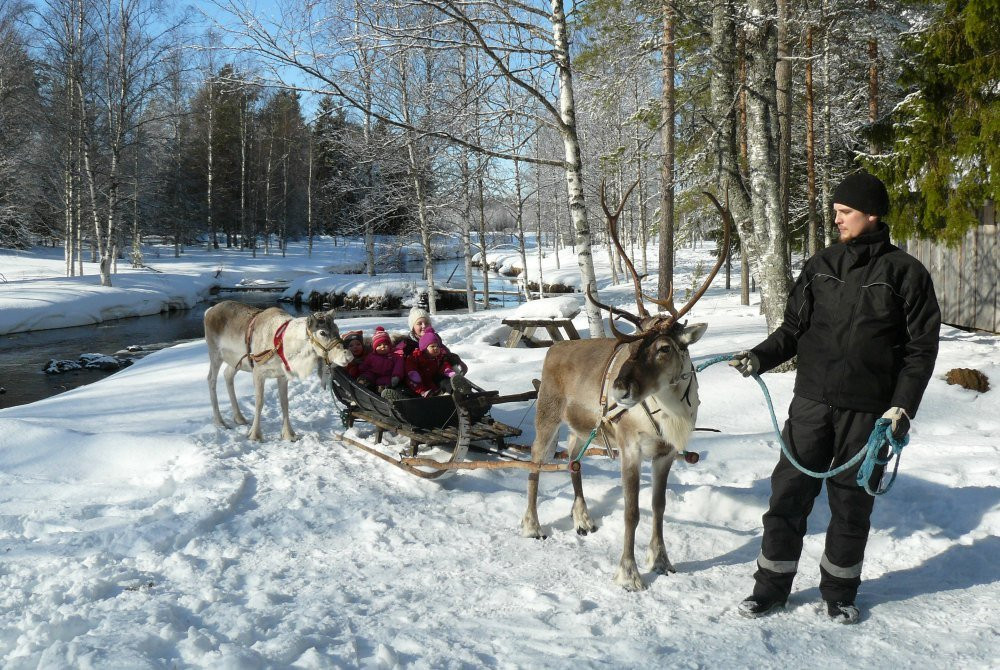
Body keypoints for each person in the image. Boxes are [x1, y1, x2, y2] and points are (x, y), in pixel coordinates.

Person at [730, 171, 940, 624]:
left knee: (851, 506)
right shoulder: (821, 265)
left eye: (845, 212)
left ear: (872, 214)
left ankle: (840, 593)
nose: (837, 219)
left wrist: (901, 407)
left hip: (869, 414)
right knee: (787, 496)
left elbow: (921, 351)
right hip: (810, 404)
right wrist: (759, 357)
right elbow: (792, 330)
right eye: (836, 212)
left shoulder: (907, 274)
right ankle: (769, 588)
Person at [395, 306, 468, 375]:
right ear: (413, 327)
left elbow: (445, 352)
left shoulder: (434, 338)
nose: (424, 326)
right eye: (419, 324)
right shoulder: (408, 343)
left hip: (436, 372)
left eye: (426, 323)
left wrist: (458, 361)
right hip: (418, 377)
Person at [404, 327, 461, 397]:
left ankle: (455, 391)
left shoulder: (439, 356)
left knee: (443, 380)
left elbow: (444, 365)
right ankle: (422, 393)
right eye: (432, 346)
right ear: (424, 349)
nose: (436, 348)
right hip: (419, 378)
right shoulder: (416, 356)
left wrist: (450, 372)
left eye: (437, 346)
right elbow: (410, 364)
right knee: (413, 383)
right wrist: (413, 373)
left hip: (432, 380)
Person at [358, 326, 403, 391]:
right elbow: (365, 365)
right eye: (379, 345)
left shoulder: (395, 356)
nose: (382, 347)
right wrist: (361, 369)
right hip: (373, 373)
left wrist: (396, 376)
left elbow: (398, 367)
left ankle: (383, 390)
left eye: (385, 345)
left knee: (385, 381)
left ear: (390, 346)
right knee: (367, 376)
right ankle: (364, 384)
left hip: (387, 375)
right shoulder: (371, 356)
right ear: (374, 347)